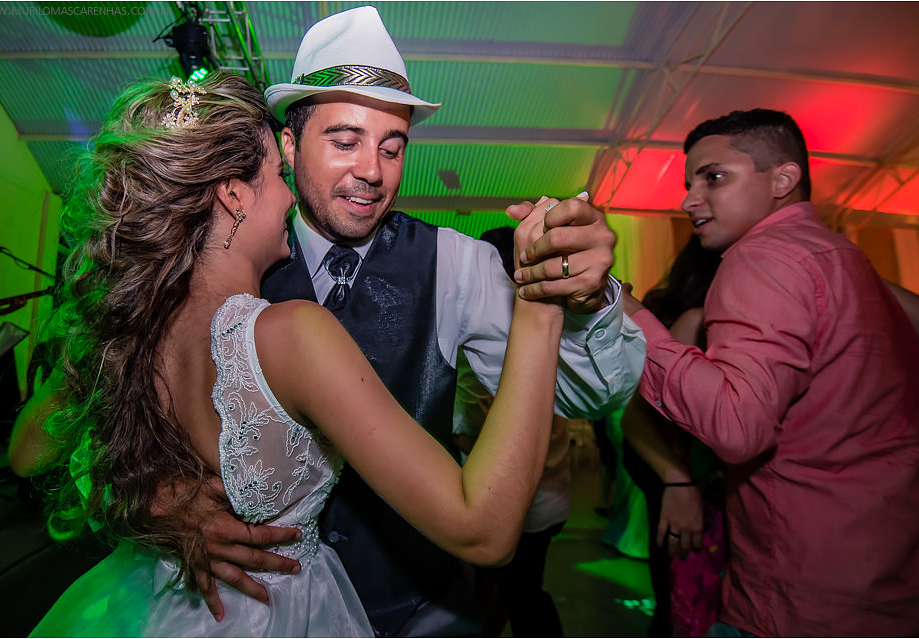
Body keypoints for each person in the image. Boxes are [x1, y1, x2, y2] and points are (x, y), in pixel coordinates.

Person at [9, 71, 572, 637]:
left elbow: (27, 450)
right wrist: (540, 303)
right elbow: (485, 530)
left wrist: (144, 504)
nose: (287, 197)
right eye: (277, 175)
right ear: (233, 195)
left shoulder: (133, 325)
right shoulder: (293, 333)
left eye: (391, 148)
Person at [184, 7, 645, 636]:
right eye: (345, 141)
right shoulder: (232, 259)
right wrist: (164, 503)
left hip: (420, 613)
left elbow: (590, 393)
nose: (372, 170)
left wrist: (586, 302)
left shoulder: (458, 264)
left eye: (392, 147)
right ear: (289, 146)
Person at [611, 108, 919, 636]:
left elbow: (738, 427)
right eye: (690, 183)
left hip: (802, 589)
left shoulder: (763, 257)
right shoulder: (844, 257)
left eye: (714, 177)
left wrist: (627, 311)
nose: (690, 199)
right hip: (889, 575)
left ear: (783, 179)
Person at [452, 226, 571, 637]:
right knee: (522, 590)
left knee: (513, 596)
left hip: (512, 504)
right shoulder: (555, 324)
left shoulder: (482, 338)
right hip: (554, 494)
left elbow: (467, 433)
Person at [619, 235, 723, 637]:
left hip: (714, 496)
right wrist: (679, 480)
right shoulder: (694, 321)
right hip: (697, 495)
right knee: (687, 603)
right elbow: (637, 418)